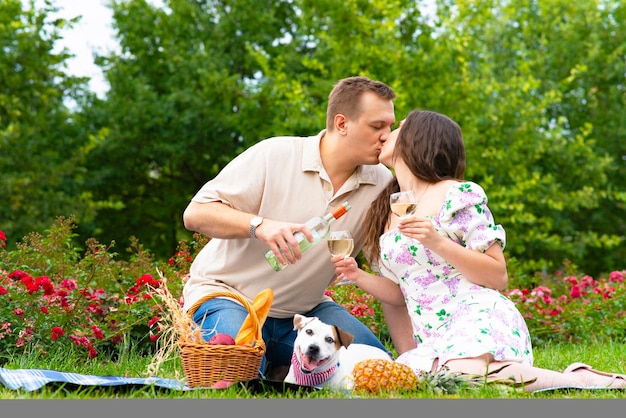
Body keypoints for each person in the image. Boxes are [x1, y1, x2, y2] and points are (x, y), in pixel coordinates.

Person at [331, 109, 626, 392]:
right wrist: (358, 276)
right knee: (444, 380)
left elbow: (497, 275)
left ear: (418, 139)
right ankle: (564, 377)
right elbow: (400, 294)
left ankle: (586, 380)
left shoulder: (457, 194)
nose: (386, 135)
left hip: (477, 314)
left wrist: (437, 242)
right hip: (433, 334)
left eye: (398, 128)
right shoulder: (386, 211)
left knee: (463, 373)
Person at [181, 75, 401, 379]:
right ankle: (273, 365)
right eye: (377, 127)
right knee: (237, 376)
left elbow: (394, 271)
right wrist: (259, 225)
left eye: (390, 127)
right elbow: (195, 213)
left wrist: (411, 357)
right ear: (341, 124)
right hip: (229, 297)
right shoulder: (275, 154)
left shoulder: (381, 183)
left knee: (376, 371)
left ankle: (284, 365)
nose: (387, 136)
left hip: (306, 313)